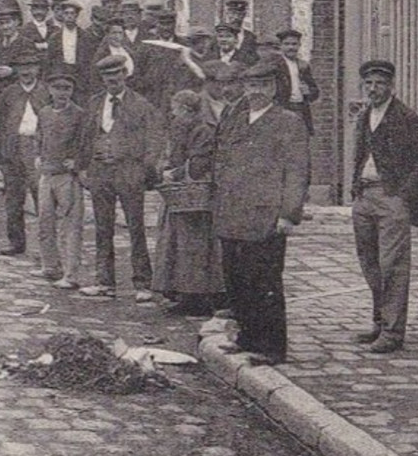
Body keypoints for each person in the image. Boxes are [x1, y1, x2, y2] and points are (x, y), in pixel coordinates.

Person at [211, 60, 309, 365]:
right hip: (232, 211)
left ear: (274, 88)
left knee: (264, 281)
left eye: (262, 86)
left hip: (265, 214)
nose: (255, 92)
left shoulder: (288, 122)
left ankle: (271, 346)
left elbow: (297, 171)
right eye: (251, 86)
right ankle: (247, 336)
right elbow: (222, 160)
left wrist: (288, 214)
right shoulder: (236, 118)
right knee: (236, 278)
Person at [349, 58, 418, 354]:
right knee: (369, 263)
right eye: (369, 84)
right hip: (364, 197)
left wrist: (401, 194)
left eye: (380, 84)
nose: (374, 89)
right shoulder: (363, 116)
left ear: (391, 86)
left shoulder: (405, 117)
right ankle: (379, 322)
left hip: (391, 200)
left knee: (393, 266)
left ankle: (393, 331)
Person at [77, 53, 165, 302]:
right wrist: (83, 167)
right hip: (101, 172)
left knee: (135, 228)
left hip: (129, 172)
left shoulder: (141, 104)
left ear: (125, 75)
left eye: (116, 76)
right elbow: (85, 137)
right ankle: (104, 281)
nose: (112, 81)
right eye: (107, 77)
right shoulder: (94, 103)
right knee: (102, 228)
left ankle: (143, 283)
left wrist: (145, 168)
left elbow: (155, 139)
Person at [152, 89, 226, 317]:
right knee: (178, 244)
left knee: (192, 247)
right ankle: (181, 292)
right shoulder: (185, 128)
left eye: (175, 110)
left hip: (194, 196)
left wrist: (174, 173)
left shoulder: (202, 130)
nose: (173, 115)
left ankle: (195, 296)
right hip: (182, 196)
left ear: (185, 110)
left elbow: (199, 162)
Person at [0, 51, 48, 255]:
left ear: (38, 69)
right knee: (14, 198)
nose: (27, 72)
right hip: (12, 147)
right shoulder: (9, 93)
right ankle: (16, 242)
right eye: (22, 67)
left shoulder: (45, 92)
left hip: (37, 148)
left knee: (41, 196)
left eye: (31, 67)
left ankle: (46, 246)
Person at [35, 66, 87, 288]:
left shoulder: (79, 115)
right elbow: (39, 136)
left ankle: (71, 273)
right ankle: (50, 266)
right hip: (47, 173)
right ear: (49, 89)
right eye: (57, 88)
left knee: (70, 224)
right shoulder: (44, 112)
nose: (62, 92)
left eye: (67, 88)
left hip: (67, 176)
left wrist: (77, 161)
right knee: (44, 222)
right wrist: (38, 155)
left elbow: (86, 143)